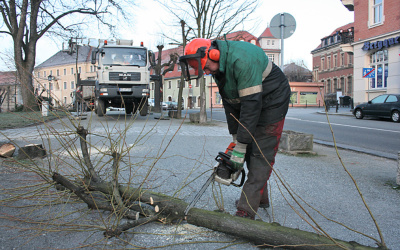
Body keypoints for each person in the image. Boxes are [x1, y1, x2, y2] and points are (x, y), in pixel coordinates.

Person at [179, 38, 291, 219]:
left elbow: (251, 105)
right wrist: (236, 139)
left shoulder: (242, 60)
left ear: (213, 54)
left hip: (272, 101)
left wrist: (242, 143)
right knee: (246, 150)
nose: (205, 72)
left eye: (205, 67)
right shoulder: (220, 68)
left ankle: (245, 210)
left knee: (261, 152)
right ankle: (260, 198)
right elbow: (230, 103)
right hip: (250, 103)